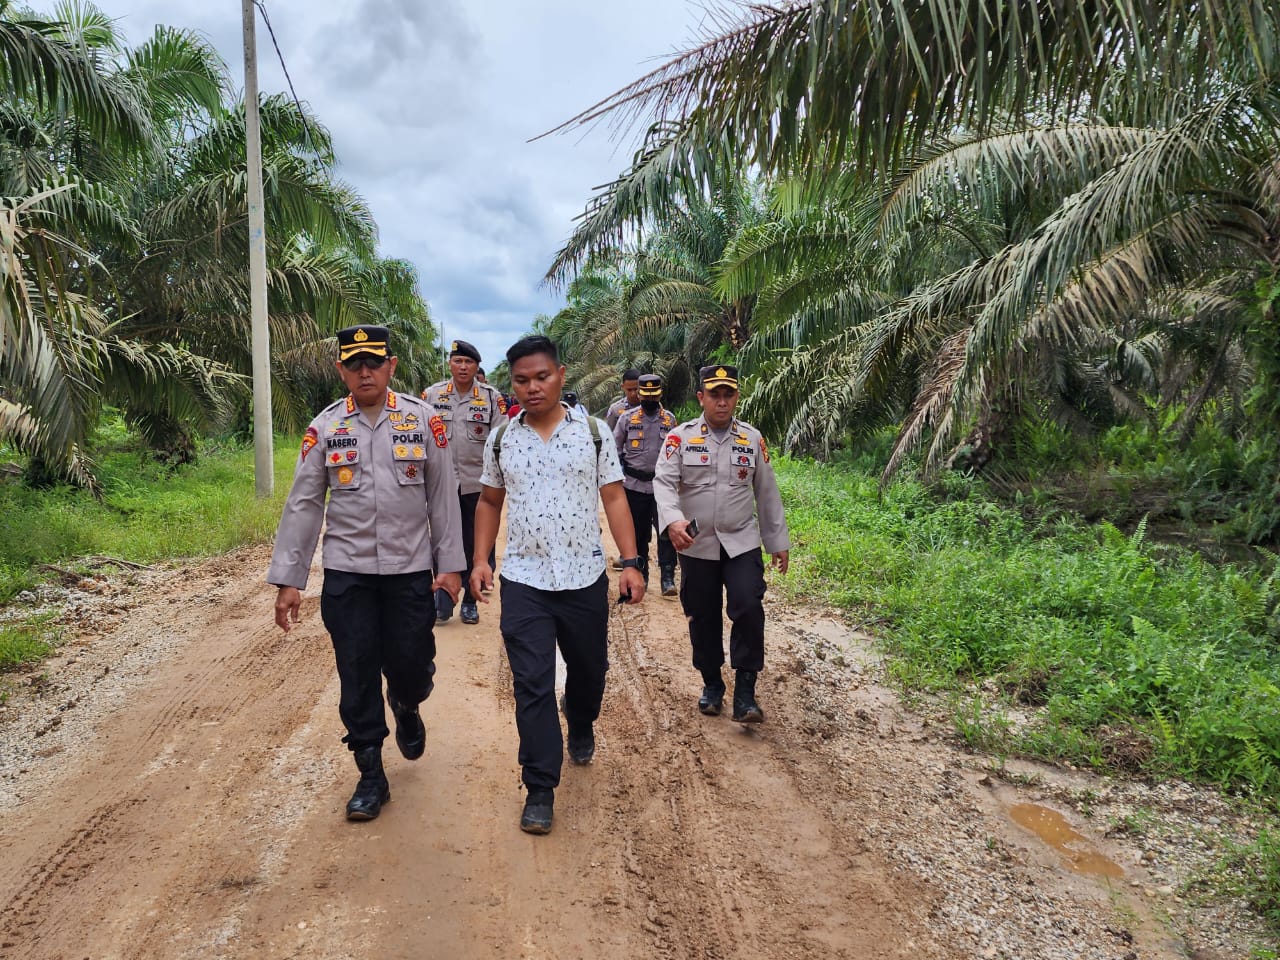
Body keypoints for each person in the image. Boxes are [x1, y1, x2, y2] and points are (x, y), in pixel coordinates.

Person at [268, 324, 464, 821]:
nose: (364, 371)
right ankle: (371, 773)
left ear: (391, 366)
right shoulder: (326, 427)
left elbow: (442, 500)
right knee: (355, 670)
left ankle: (407, 701)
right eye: (353, 363)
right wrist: (291, 580)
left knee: (412, 665)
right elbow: (304, 505)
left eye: (373, 362)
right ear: (341, 370)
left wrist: (452, 569)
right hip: (348, 573)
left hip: (408, 571)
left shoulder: (424, 422)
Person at [471, 335, 645, 835]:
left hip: (584, 576)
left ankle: (583, 719)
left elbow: (614, 498)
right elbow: (488, 502)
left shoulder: (592, 434)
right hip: (524, 578)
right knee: (532, 684)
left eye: (541, 377)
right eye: (521, 380)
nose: (531, 388)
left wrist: (630, 562)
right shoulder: (501, 439)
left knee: (589, 671)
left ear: (560, 375)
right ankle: (540, 786)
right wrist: (480, 560)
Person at [653, 364, 790, 724]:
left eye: (728, 394)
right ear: (701, 397)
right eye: (715, 394)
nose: (722, 401)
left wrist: (777, 540)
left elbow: (767, 492)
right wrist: (672, 520)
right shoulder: (679, 439)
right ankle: (712, 683)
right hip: (697, 544)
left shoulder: (751, 439)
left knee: (747, 605)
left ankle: (746, 691)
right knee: (703, 614)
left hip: (741, 541)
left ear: (737, 398)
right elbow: (664, 483)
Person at [421, 340, 507, 625]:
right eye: (457, 361)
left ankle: (470, 601)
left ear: (476, 366)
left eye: (468, 362)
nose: (462, 367)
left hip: (477, 484)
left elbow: (500, 441)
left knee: (474, 543)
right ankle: (443, 598)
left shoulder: (491, 398)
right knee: (442, 540)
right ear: (450, 364)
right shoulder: (432, 396)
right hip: (442, 484)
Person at [613, 373, 679, 597]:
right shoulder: (627, 419)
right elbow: (615, 450)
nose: (649, 399)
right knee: (639, 534)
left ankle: (668, 576)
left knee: (666, 532)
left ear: (660, 394)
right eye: (645, 395)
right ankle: (642, 573)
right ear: (639, 394)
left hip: (661, 487)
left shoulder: (669, 420)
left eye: (654, 395)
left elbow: (676, 454)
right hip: (633, 486)